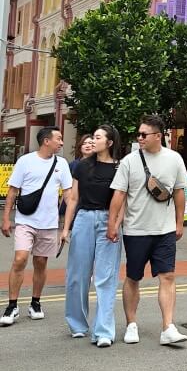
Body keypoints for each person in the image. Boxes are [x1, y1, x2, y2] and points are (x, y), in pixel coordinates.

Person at [107, 115, 187, 346]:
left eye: (144, 134)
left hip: (164, 230)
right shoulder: (129, 161)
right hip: (136, 230)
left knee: (168, 276)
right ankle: (131, 324)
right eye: (139, 134)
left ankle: (168, 327)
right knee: (133, 277)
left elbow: (180, 192)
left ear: (158, 136)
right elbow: (119, 194)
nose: (140, 138)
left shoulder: (174, 159)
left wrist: (179, 222)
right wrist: (112, 224)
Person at [0, 126, 72, 325]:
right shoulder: (26, 161)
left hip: (49, 223)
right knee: (20, 259)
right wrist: (6, 219)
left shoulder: (62, 163)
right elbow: (13, 191)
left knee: (40, 263)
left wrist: (69, 221)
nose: (62, 142)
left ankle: (35, 302)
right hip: (25, 220)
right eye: (58, 138)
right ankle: (12, 305)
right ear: (46, 141)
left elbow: (68, 194)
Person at [62, 125, 123, 346]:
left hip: (108, 219)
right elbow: (73, 199)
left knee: (106, 276)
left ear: (109, 143)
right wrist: (66, 228)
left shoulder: (119, 168)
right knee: (77, 275)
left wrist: (115, 224)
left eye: (98, 138)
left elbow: (122, 200)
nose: (92, 141)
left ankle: (104, 331)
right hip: (84, 219)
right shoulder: (81, 167)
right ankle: (77, 324)